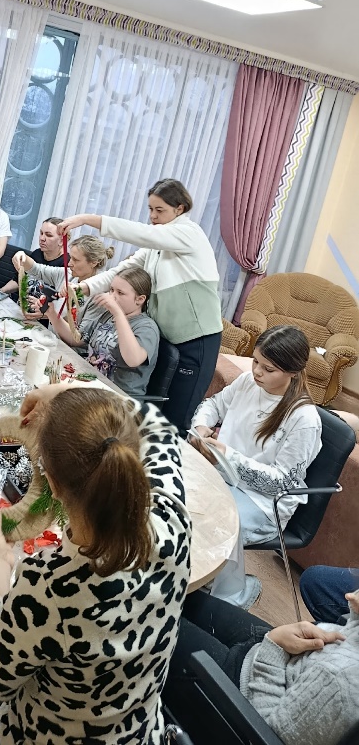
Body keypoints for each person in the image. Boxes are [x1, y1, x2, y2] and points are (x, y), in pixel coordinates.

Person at [0, 383, 191, 745]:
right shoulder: (172, 521)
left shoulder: (51, 584)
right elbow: (159, 426)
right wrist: (72, 395)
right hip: (139, 735)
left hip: (39, 735)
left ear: (52, 485)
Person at [59, 179, 223, 433]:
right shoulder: (157, 247)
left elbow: (141, 233)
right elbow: (122, 270)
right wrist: (83, 287)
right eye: (150, 209)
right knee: (161, 414)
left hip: (196, 339)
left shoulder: (189, 234)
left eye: (160, 210)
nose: (153, 216)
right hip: (170, 335)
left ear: (179, 209)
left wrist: (87, 219)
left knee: (176, 418)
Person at [191, 325, 322, 608]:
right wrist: (201, 427)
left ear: (292, 372)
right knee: (181, 497)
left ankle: (232, 595)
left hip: (264, 503)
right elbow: (213, 405)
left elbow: (281, 483)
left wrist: (230, 456)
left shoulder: (304, 419)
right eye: (255, 361)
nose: (257, 372)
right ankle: (193, 575)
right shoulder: (248, 382)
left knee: (216, 520)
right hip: (224, 477)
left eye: (268, 368)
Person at [163, 588, 359, 745]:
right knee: (180, 594)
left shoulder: (340, 685)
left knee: (155, 619)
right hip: (277, 658)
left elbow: (266, 734)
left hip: (246, 695)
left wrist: (273, 646)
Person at [45, 266, 159, 399]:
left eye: (120, 293)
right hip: (89, 386)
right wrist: (51, 314)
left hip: (116, 399)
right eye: (111, 290)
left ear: (140, 299)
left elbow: (133, 360)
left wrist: (118, 313)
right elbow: (76, 339)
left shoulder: (146, 327)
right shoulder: (107, 316)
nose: (112, 296)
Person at [12, 234, 116, 333]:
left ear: (94, 262)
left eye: (75, 260)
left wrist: (51, 314)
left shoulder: (100, 296)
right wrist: (22, 256)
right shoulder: (67, 274)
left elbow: (79, 338)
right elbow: (38, 270)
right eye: (71, 258)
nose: (69, 264)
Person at [0, 216, 66, 297]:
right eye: (41, 233)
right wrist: (0, 291)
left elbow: (61, 299)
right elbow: (18, 280)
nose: (42, 238)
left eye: (49, 235)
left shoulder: (67, 264)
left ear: (61, 241)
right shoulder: (37, 254)